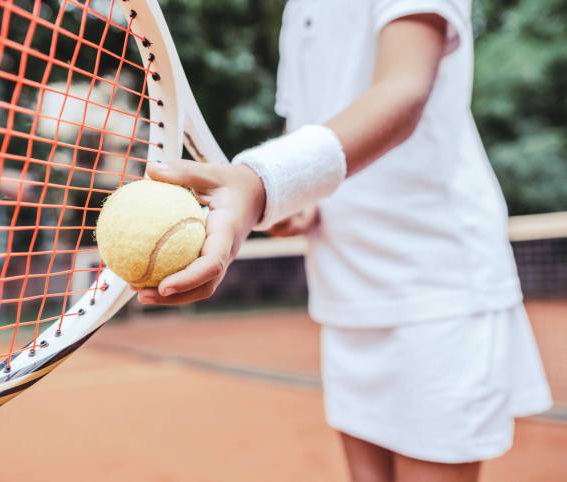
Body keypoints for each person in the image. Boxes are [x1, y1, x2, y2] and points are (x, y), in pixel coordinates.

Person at [135, 1, 552, 480]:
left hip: (436, 287)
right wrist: (298, 201)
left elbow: (404, 89)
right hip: (345, 292)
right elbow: (310, 131)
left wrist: (263, 184)